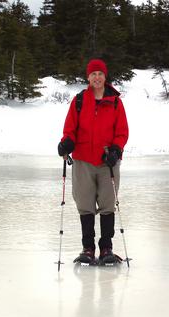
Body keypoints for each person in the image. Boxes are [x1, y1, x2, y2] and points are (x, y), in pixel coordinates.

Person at [57, 59, 129, 265]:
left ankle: (106, 247)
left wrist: (116, 149)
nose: (97, 77)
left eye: (100, 74)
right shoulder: (79, 101)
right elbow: (69, 128)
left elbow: (122, 131)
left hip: (108, 162)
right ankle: (88, 248)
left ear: (105, 77)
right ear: (88, 77)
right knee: (85, 204)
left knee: (108, 205)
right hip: (83, 161)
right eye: (93, 74)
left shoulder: (115, 102)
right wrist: (66, 143)